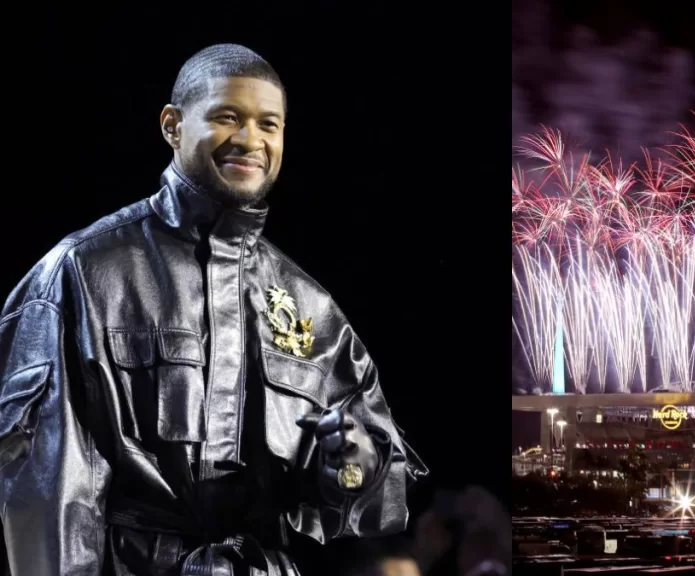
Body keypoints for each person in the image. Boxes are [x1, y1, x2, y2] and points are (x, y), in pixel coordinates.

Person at [0, 43, 426, 575]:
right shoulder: (83, 273)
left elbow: (382, 496)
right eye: (229, 117)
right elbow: (47, 493)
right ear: (172, 125)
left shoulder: (311, 306)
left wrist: (356, 468)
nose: (251, 140)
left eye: (269, 124)